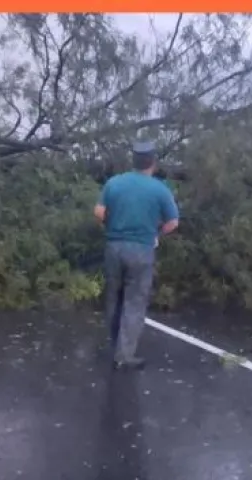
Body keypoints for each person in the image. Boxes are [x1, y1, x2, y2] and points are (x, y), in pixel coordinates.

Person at [94, 141, 179, 370]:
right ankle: (124, 355)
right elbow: (173, 222)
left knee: (114, 296)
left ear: (133, 161)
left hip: (114, 247)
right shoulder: (160, 189)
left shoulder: (114, 183)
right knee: (134, 301)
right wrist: (156, 234)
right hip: (141, 249)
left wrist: (109, 227)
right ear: (153, 163)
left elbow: (99, 212)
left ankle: (115, 345)